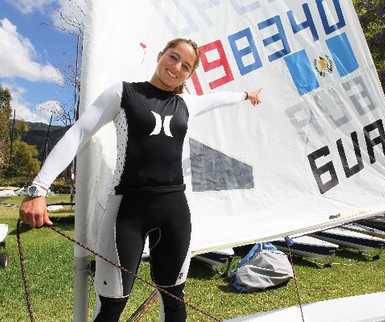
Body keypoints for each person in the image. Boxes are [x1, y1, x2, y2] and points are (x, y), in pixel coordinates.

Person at [19, 38, 262, 322]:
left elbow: (221, 98)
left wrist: (247, 95)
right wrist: (39, 188)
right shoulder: (123, 93)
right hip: (127, 212)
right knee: (111, 305)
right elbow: (79, 133)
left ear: (190, 74)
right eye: (173, 57)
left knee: (174, 298)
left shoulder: (187, 103)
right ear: (161, 55)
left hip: (174, 210)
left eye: (186, 65)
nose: (176, 67)